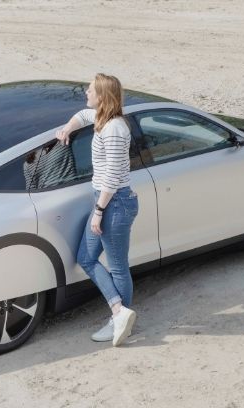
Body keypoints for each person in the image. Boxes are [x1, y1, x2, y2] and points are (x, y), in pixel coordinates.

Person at [56, 73, 139, 347]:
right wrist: (68, 128)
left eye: (90, 90)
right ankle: (120, 311)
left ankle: (120, 323)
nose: (86, 94)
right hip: (106, 201)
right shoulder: (102, 119)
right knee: (86, 257)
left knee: (117, 267)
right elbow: (82, 114)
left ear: (102, 96)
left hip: (114, 204)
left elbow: (114, 174)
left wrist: (99, 210)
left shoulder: (115, 128)